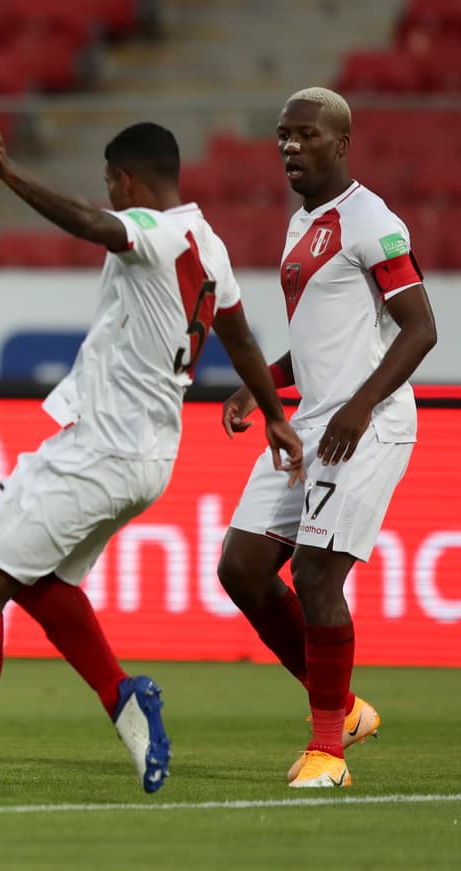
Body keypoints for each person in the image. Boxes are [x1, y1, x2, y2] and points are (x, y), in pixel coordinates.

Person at [0, 121, 305, 803]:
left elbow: (96, 226)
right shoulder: (206, 243)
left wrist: (10, 177)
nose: (109, 194)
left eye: (110, 182)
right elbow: (240, 335)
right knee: (34, 579)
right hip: (149, 454)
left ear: (126, 180)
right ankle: (121, 693)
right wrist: (274, 412)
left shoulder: (149, 233)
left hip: (102, 445)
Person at [217, 87, 436, 789]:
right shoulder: (303, 221)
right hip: (312, 420)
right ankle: (340, 707)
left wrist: (362, 404)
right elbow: (319, 335)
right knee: (242, 567)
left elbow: (422, 328)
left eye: (304, 135)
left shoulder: (372, 221)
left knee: (315, 573)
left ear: (340, 142)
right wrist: (265, 382)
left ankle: (328, 755)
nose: (288, 147)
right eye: (282, 136)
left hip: (366, 425)